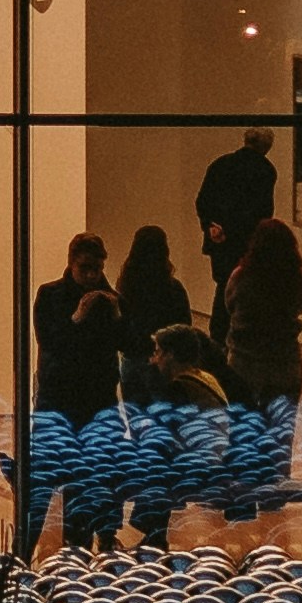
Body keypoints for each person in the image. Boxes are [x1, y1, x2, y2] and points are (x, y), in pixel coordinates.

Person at [202, 148, 302, 510]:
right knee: (281, 426)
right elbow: (301, 304)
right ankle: (275, 486)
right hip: (285, 360)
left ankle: (242, 483)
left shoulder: (241, 276)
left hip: (246, 361)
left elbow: (230, 304)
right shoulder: (292, 278)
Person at [22, 228, 125, 550]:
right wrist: (77, 317)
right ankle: (43, 544)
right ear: (71, 264)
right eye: (86, 269)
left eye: (97, 269)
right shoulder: (50, 295)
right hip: (59, 399)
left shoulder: (109, 299)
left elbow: (129, 342)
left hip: (98, 398)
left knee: (103, 470)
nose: (92, 276)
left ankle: (99, 537)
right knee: (52, 473)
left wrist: (117, 314)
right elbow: (51, 341)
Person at [109, 226, 204, 544]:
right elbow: (184, 331)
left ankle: (146, 515)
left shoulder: (126, 289)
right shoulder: (172, 289)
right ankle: (153, 520)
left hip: (132, 368)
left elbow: (120, 331)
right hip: (162, 371)